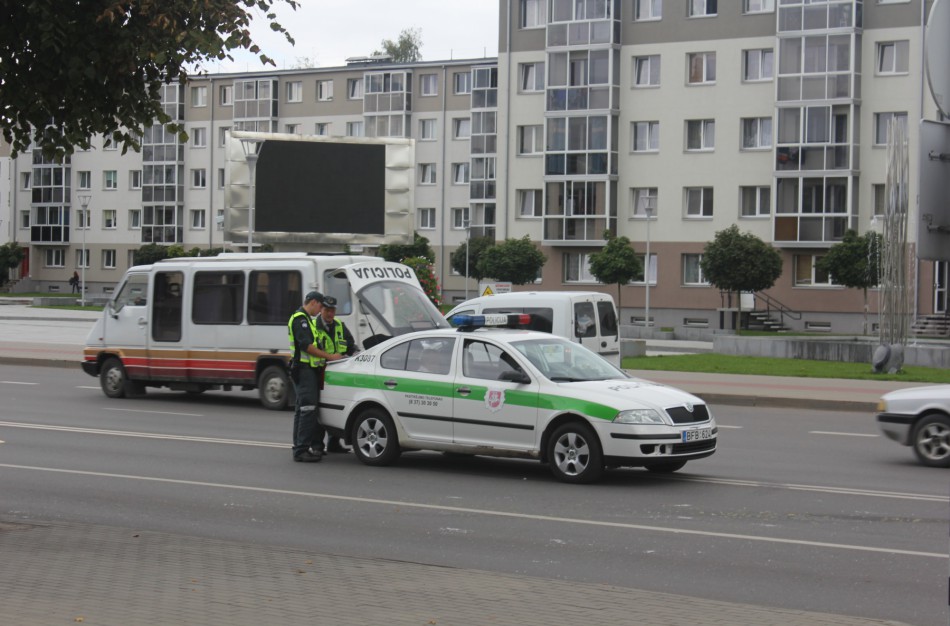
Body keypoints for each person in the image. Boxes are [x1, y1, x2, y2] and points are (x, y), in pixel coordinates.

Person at [288, 291, 343, 463]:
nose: (320, 311)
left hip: (307, 370)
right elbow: (307, 346)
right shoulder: (300, 319)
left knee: (302, 409)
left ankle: (298, 446)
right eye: (320, 306)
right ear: (313, 302)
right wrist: (329, 357)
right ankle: (301, 450)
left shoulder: (306, 319)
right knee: (308, 410)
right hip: (304, 370)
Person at [314, 295, 356, 453]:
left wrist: (345, 356)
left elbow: (351, 345)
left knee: (334, 407)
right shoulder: (314, 326)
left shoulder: (340, 325)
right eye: (327, 310)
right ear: (321, 310)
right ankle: (317, 445)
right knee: (319, 411)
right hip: (319, 373)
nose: (330, 314)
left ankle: (333, 442)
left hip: (337, 374)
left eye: (332, 310)